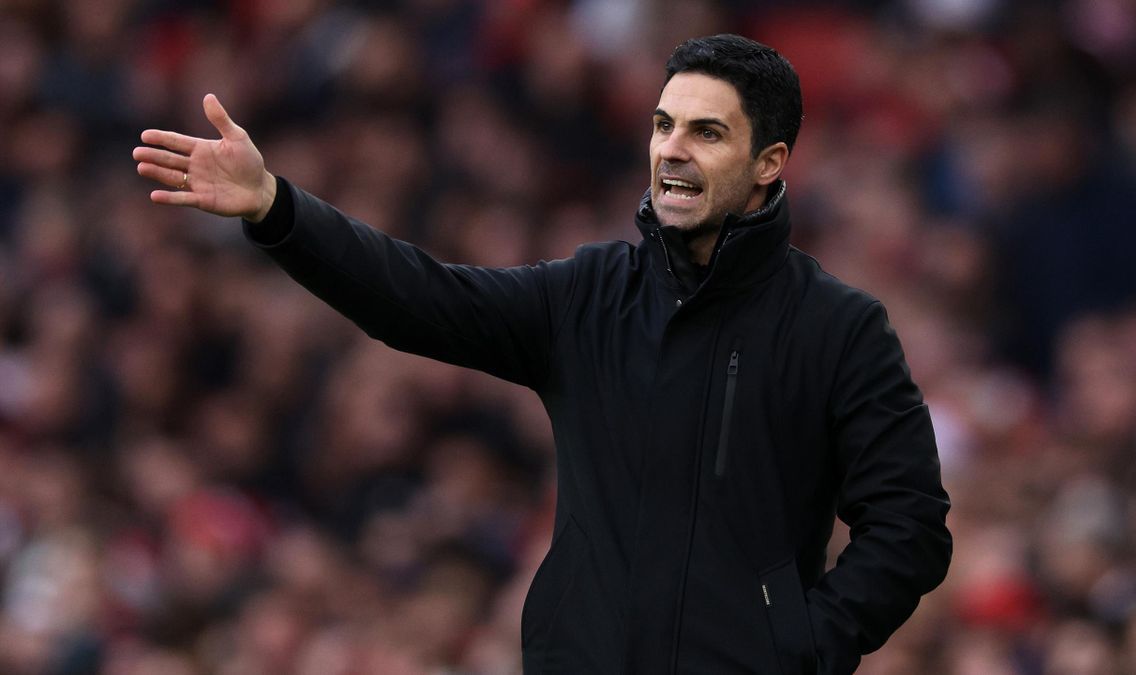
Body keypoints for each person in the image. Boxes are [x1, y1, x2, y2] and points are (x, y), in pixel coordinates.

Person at [133, 34, 951, 675]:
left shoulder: (839, 329)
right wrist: (277, 208)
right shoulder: (590, 295)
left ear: (770, 162)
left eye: (707, 133)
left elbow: (910, 525)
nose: (672, 150)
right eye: (663, 125)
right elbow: (419, 300)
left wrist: (799, 645)